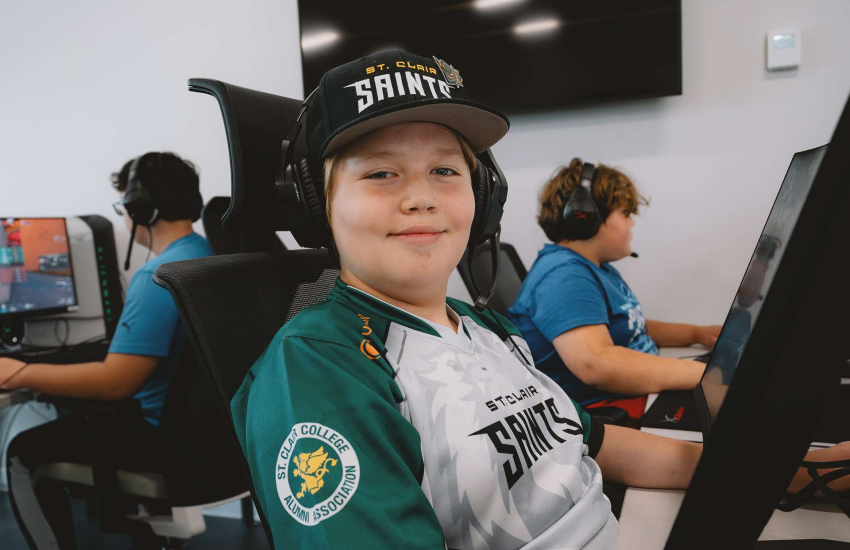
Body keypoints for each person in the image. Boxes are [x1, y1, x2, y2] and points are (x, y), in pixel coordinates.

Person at [230, 51, 848, 550]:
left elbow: (592, 441)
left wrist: (794, 474)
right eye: (380, 173)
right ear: (317, 206)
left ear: (483, 198)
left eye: (446, 171)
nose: (422, 197)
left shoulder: (483, 329)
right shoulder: (317, 369)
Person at [0, 152, 214, 550]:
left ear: (140, 209)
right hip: (205, 440)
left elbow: (115, 383)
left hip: (154, 438)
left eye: (124, 208)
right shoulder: (208, 256)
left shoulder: (158, 275)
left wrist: (18, 371)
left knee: (22, 453)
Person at [508, 159, 721, 414]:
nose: (632, 223)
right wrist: (706, 374)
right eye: (626, 213)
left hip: (632, 392)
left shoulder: (595, 268)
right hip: (603, 410)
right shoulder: (564, 276)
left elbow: (629, 325)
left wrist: (696, 335)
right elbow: (597, 364)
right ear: (584, 215)